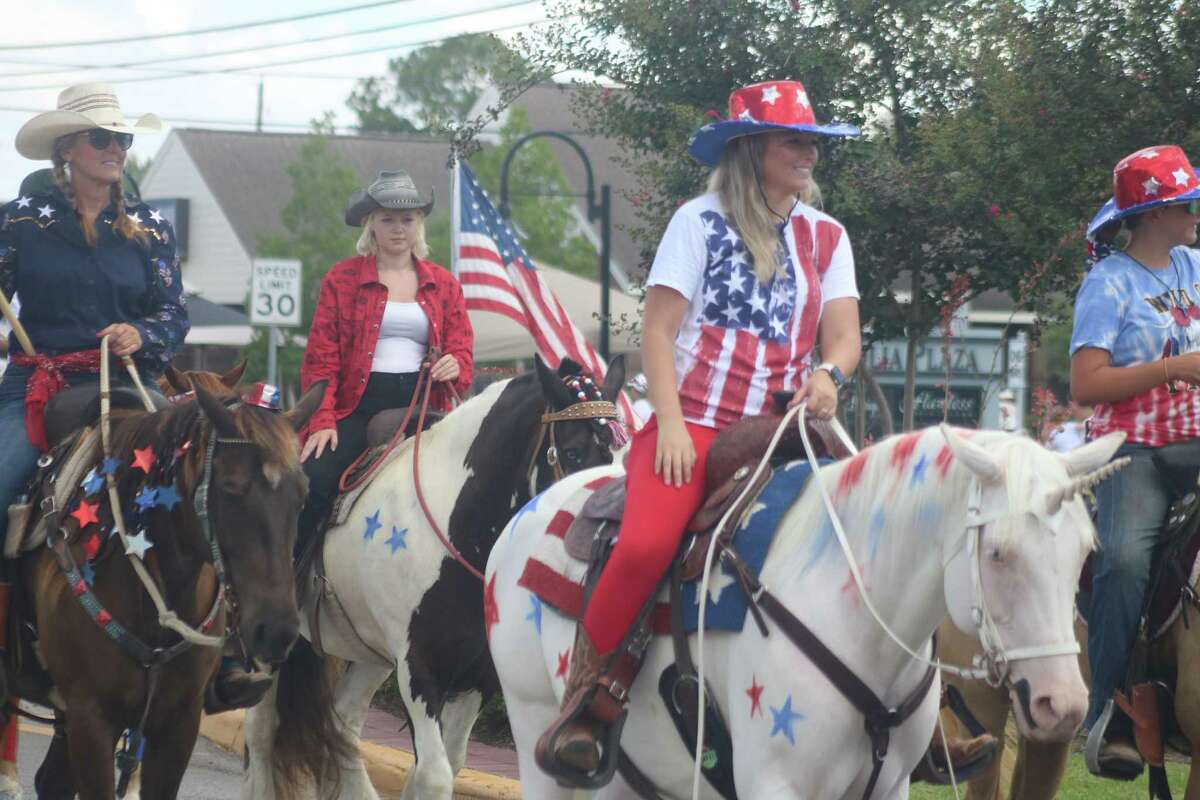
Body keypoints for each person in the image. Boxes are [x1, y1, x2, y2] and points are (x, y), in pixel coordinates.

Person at [537, 79, 992, 786]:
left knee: (889, 528)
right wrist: (674, 425)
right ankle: (592, 701)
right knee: (647, 544)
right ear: (751, 150)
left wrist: (831, 377)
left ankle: (922, 721)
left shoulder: (828, 236)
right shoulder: (698, 221)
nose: (809, 152)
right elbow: (656, 331)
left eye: (814, 140)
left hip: (791, 424)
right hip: (693, 421)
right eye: (793, 140)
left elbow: (843, 337)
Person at [0, 82, 186, 788]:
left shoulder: (152, 226)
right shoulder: (19, 221)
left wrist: (145, 332)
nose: (117, 151)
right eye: (103, 140)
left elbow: (174, 312)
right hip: (38, 385)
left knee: (208, 485)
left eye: (123, 140)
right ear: (67, 150)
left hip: (132, 382)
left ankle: (224, 654)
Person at [1070, 144, 1200, 777]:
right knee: (1122, 562)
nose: (1196, 210)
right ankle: (1109, 712)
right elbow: (1086, 384)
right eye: (1186, 202)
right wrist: (1171, 368)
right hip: (1135, 451)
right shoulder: (1108, 283)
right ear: (1153, 215)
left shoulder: (1196, 264)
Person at [297, 170, 473, 554]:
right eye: (387, 219)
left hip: (424, 405)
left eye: (407, 219)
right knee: (310, 481)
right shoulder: (341, 279)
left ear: (419, 224)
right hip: (355, 407)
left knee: (475, 483)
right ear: (370, 224)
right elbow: (320, 360)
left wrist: (455, 364)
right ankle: (295, 578)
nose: (398, 228)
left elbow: (462, 348)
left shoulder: (444, 284)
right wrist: (322, 420)